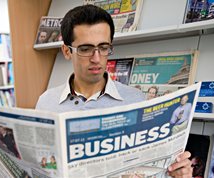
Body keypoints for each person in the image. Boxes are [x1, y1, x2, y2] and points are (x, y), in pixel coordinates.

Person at [36, 4, 193, 177]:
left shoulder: (136, 99)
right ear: (67, 51)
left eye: (103, 48)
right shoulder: (46, 102)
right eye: (86, 49)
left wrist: (174, 173)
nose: (96, 59)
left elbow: (151, 169)